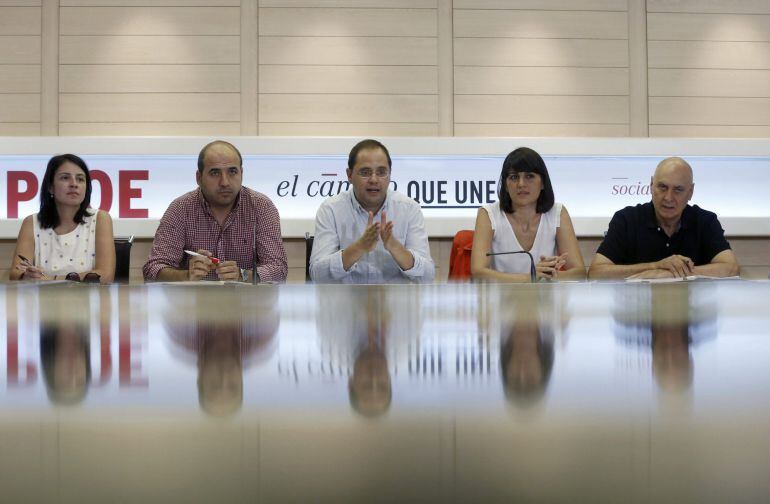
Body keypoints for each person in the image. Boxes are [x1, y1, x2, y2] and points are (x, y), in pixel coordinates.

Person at [143, 140, 288, 283]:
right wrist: (186, 276)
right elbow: (153, 269)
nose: (225, 182)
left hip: (247, 302)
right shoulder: (180, 209)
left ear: (241, 173)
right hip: (192, 302)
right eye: (215, 173)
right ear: (199, 178)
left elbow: (278, 269)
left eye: (232, 172)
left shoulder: (261, 207)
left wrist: (242, 275)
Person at [588, 157, 739, 280]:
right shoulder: (626, 219)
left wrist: (668, 274)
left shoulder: (705, 221)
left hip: (692, 314)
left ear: (690, 192)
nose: (668, 197)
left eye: (678, 190)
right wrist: (655, 266)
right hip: (638, 314)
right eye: (662, 187)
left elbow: (731, 268)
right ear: (651, 185)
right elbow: (596, 272)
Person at [309, 139, 435, 283]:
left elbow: (428, 276)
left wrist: (395, 247)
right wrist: (359, 247)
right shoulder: (330, 209)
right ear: (349, 175)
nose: (374, 179)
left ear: (390, 175)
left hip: (395, 303)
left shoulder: (409, 209)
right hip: (346, 303)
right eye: (365, 172)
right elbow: (317, 276)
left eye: (381, 172)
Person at [471, 147, 585, 282]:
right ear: (506, 185)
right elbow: (478, 272)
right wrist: (530, 277)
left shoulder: (557, 213)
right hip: (501, 301)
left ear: (543, 183)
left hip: (545, 301)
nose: (521, 184)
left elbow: (580, 273)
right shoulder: (488, 214)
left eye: (529, 176)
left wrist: (549, 274)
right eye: (514, 177)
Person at [9, 154, 115, 283]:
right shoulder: (31, 222)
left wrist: (49, 279)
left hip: (88, 301)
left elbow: (105, 275)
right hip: (42, 301)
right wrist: (26, 275)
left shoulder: (100, 219)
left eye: (80, 179)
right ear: (50, 187)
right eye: (65, 178)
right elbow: (15, 273)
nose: (74, 184)